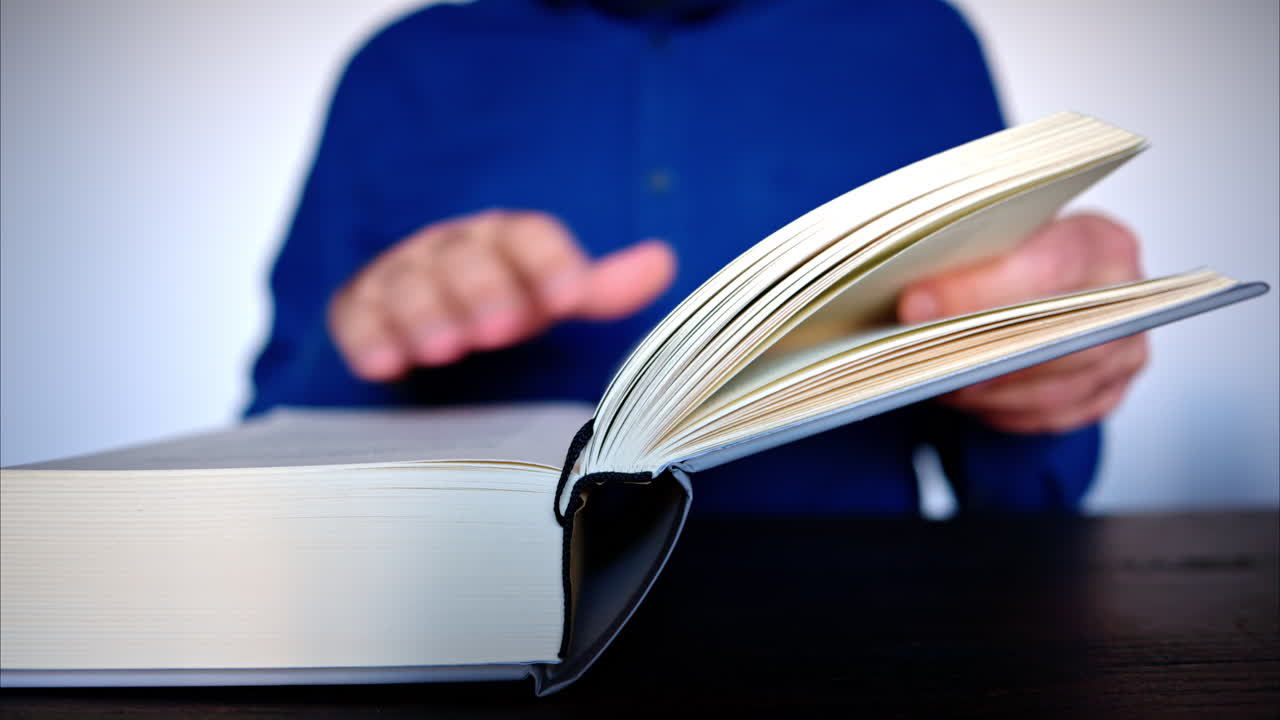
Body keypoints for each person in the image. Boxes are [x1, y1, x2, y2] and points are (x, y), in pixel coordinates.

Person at [248, 0, 1147, 513]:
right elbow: (268, 458)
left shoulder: (922, 43)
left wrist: (1051, 346)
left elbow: (1029, 495)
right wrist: (370, 343)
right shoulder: (400, 67)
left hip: (865, 644)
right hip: (470, 642)